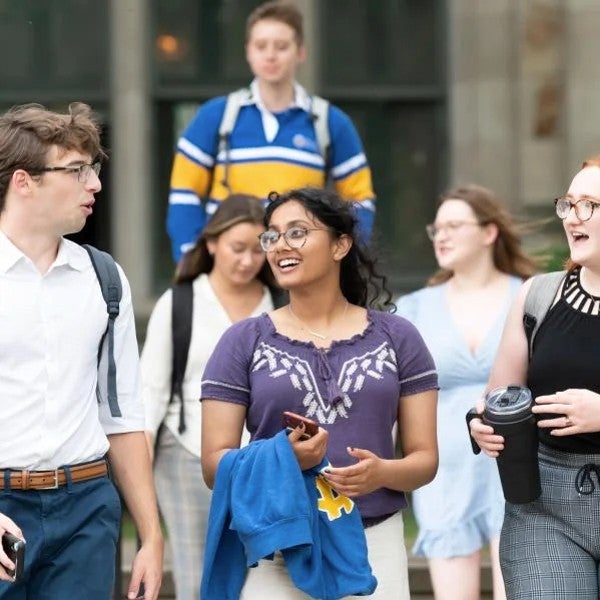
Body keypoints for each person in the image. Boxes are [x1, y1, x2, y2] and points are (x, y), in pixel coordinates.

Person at [200, 187, 438, 599]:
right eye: (271, 236)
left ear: (340, 245)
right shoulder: (243, 341)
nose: (280, 247)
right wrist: (283, 460)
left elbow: (425, 460)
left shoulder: (398, 338)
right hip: (276, 545)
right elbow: (212, 464)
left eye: (298, 232)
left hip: (374, 544)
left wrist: (381, 473)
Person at [0, 103, 163, 599]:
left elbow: (122, 414)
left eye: (93, 170)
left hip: (87, 507)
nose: (94, 185)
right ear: (24, 181)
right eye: (76, 171)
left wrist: (151, 536)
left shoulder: (104, 278)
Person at [396, 185, 537, 600]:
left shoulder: (533, 294)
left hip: (518, 462)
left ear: (490, 232)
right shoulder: (414, 309)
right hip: (446, 471)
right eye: (436, 228)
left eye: (454, 225)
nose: (441, 235)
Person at [469, 155, 600, 599]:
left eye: (589, 206)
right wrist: (482, 423)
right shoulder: (537, 295)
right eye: (569, 204)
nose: (572, 217)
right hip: (545, 506)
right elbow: (497, 397)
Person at [141, 193, 280, 600]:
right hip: (187, 455)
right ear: (212, 242)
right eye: (238, 248)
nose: (248, 260)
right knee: (198, 575)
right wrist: (140, 461)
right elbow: (150, 389)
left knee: (267, 574)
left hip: (266, 459)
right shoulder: (180, 302)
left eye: (259, 250)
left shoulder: (282, 304)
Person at [166, 0, 375, 261]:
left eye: (282, 46)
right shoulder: (214, 117)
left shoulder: (330, 122)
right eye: (261, 46)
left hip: (299, 268)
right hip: (232, 272)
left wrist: (346, 259)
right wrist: (191, 263)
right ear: (248, 52)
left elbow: (360, 201)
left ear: (300, 52)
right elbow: (184, 195)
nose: (270, 55)